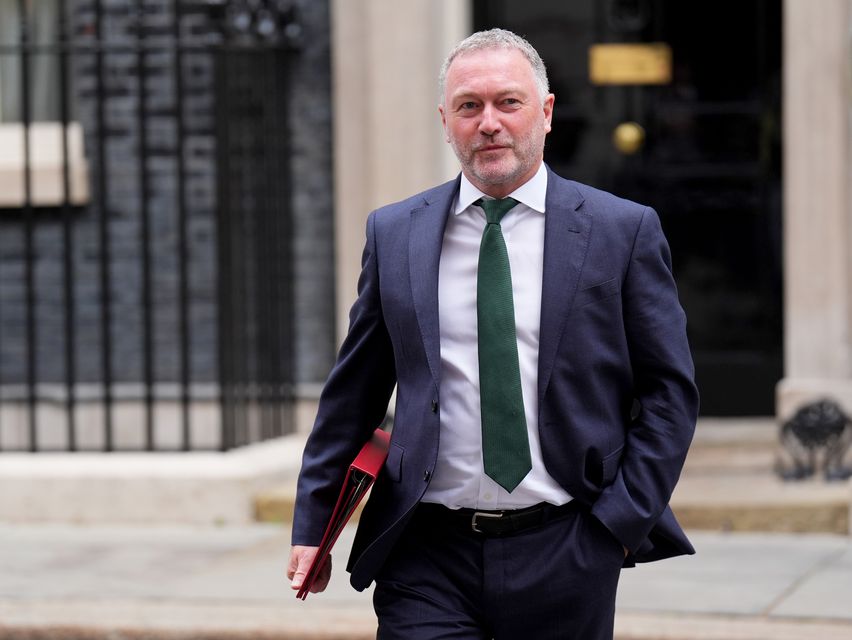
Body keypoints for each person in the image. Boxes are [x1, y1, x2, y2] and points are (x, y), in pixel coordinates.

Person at [288, 28, 699, 640]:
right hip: (425, 551)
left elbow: (669, 393)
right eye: (468, 106)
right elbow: (354, 392)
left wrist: (617, 522)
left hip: (567, 545)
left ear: (547, 112)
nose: (488, 123)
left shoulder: (622, 231)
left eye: (508, 102)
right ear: (445, 120)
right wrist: (313, 524)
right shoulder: (395, 233)